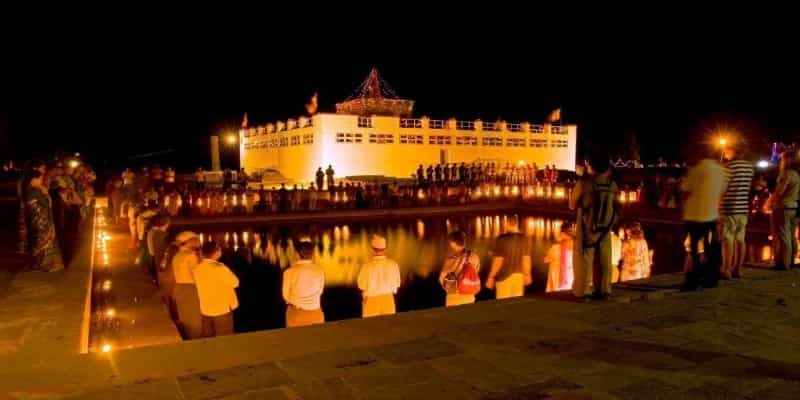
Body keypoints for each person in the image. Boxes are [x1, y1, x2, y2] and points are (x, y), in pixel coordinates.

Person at [572, 157, 620, 300]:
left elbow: (572, 204)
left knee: (584, 260)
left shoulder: (584, 183)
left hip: (588, 227)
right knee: (605, 260)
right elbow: (617, 206)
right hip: (605, 228)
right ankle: (604, 290)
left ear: (591, 167)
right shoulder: (612, 185)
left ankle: (584, 291)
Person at [681, 152, 728, 290]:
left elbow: (687, 188)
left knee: (695, 248)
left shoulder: (696, 170)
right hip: (712, 214)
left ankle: (694, 277)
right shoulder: (721, 171)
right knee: (711, 247)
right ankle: (711, 276)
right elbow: (722, 190)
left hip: (695, 214)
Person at [718, 147, 754, 279]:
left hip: (728, 207)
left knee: (728, 240)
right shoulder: (749, 167)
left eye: (726, 151)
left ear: (733, 151)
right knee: (740, 239)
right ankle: (737, 269)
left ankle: (726, 269)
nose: (725, 153)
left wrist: (718, 205)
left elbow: (722, 188)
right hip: (743, 207)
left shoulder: (728, 167)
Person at [194, 242, 239, 337]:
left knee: (208, 335)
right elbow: (235, 283)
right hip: (221, 309)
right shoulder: (220, 268)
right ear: (217, 252)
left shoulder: (197, 268)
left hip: (205, 309)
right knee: (225, 336)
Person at [24, 170, 65, 272]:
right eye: (40, 179)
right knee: (42, 241)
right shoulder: (34, 190)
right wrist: (46, 193)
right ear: (33, 179)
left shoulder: (29, 190)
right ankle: (40, 264)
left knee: (39, 240)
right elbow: (46, 203)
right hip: (41, 219)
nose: (42, 181)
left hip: (37, 219)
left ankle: (37, 264)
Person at [486, 216, 532, 299]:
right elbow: (526, 259)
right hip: (519, 277)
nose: (503, 225)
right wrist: (527, 275)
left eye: (504, 223)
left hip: (504, 277)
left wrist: (491, 277)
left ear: (507, 223)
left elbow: (498, 261)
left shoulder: (501, 239)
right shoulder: (525, 239)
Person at [282, 240, 325, 327]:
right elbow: (320, 292)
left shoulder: (290, 272)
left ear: (297, 254)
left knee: (295, 339)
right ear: (312, 254)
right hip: (316, 313)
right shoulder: (319, 271)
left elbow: (285, 296)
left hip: (296, 314)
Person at [357, 235, 401, 317]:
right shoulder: (393, 264)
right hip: (388, 299)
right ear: (385, 249)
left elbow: (361, 285)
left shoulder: (367, 266)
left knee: (371, 327)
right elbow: (398, 283)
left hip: (371, 300)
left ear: (372, 249)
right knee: (389, 325)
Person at [770, 151, 799, 271]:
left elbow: (779, 191)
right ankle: (791, 261)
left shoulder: (786, 174)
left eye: (782, 159)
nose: (780, 162)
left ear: (787, 160)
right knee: (791, 236)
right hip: (794, 207)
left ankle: (783, 264)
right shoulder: (797, 174)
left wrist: (770, 202)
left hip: (783, 207)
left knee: (783, 235)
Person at [171, 231, 203, 339]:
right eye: (195, 239)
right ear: (189, 242)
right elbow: (197, 275)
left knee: (185, 319)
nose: (198, 241)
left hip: (179, 288)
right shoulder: (191, 256)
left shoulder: (177, 256)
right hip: (190, 289)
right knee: (195, 321)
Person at [439, 231, 481, 306]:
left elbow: (442, 278)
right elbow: (476, 272)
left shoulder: (451, 259)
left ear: (453, 243)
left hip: (454, 295)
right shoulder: (475, 257)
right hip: (469, 292)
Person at [545, 222, 574, 292]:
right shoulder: (577, 248)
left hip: (559, 284)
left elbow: (546, 259)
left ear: (562, 233)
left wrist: (557, 241)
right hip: (572, 282)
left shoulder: (556, 248)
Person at [147, 215, 171, 281]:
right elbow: (161, 249)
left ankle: (156, 280)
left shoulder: (152, 231)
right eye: (168, 224)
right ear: (163, 224)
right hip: (157, 257)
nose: (168, 226)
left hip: (152, 255)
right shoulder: (160, 234)